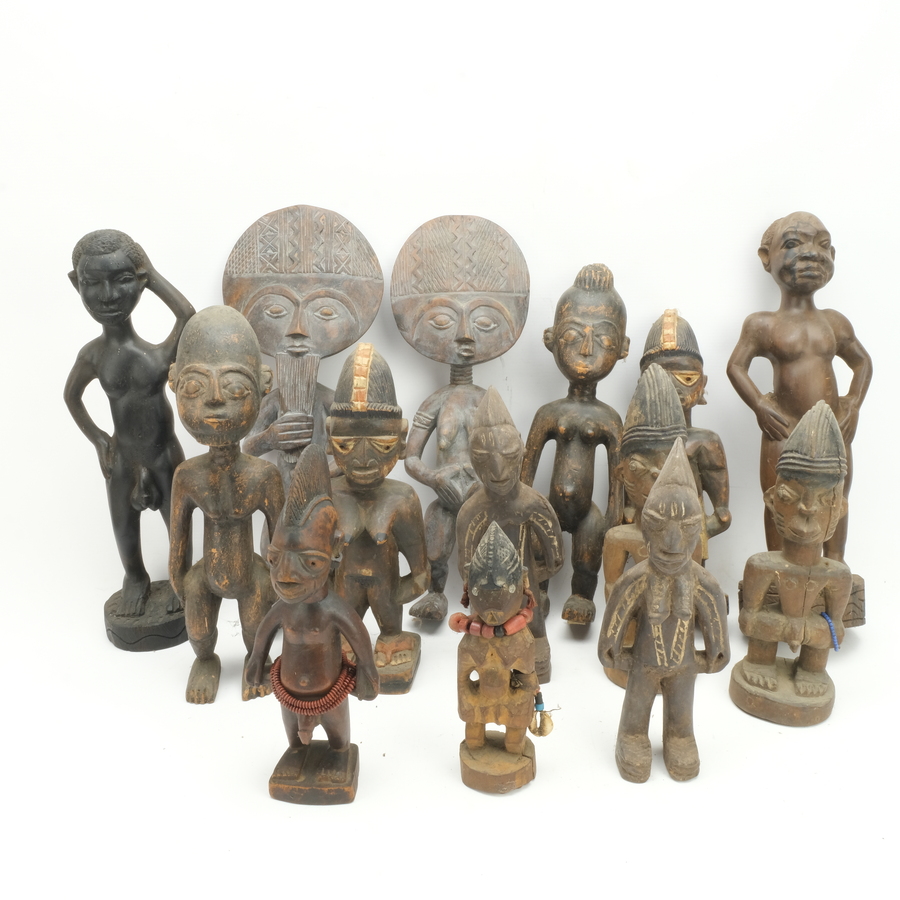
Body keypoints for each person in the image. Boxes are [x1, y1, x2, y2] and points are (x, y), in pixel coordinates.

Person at [391, 214, 530, 621]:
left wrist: (491, 485)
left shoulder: (489, 402)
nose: (465, 335)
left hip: (486, 494)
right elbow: (410, 457)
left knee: (494, 545)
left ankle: (491, 601)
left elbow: (511, 451)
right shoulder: (436, 401)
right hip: (446, 494)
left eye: (483, 323)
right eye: (442, 322)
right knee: (435, 539)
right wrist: (436, 479)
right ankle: (436, 594)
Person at [64, 229, 195, 617]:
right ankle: (135, 578)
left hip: (164, 454)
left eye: (121, 280)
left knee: (178, 526)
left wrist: (150, 274)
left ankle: (180, 579)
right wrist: (98, 439)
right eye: (93, 283)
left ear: (138, 283)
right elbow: (71, 397)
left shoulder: (155, 355)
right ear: (76, 284)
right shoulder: (93, 356)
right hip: (122, 457)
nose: (108, 296)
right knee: (124, 528)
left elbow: (187, 316)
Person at [727, 212, 871, 561]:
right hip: (784, 428)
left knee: (836, 496)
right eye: (793, 243)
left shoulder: (835, 322)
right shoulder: (762, 324)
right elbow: (736, 366)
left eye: (822, 245)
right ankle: (778, 567)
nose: (811, 253)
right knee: (778, 497)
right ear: (767, 258)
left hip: (834, 426)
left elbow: (862, 362)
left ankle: (835, 564)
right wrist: (760, 405)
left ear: (832, 255)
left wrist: (853, 404)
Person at [246, 445, 379, 802]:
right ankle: (296, 751)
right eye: (275, 560)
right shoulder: (283, 608)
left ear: (335, 551)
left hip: (331, 690)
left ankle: (338, 754)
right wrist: (256, 660)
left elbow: (359, 636)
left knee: (338, 734)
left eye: (311, 563)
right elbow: (264, 632)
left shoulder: (332, 609)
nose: (285, 576)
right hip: (288, 691)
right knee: (292, 733)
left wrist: (368, 671)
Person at [168, 306, 284, 704]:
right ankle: (206, 661)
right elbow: (179, 542)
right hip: (206, 576)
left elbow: (281, 540)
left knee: (256, 632)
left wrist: (281, 586)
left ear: (262, 386)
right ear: (173, 384)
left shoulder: (263, 476)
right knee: (199, 633)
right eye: (195, 388)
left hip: (252, 575)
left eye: (235, 390)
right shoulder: (187, 476)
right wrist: (180, 583)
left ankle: (256, 661)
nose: (216, 400)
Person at [599, 439, 729, 783]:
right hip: (643, 665)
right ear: (645, 527)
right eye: (658, 526)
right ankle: (631, 736)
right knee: (636, 713)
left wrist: (714, 653)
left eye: (686, 529)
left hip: (683, 668)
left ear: (698, 533)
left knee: (681, 722)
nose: (672, 543)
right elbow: (613, 626)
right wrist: (614, 652)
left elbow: (717, 631)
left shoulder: (703, 583)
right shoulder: (636, 580)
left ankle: (679, 737)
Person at [731, 401, 850, 724]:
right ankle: (759, 663)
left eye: (825, 499)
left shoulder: (838, 575)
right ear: (772, 500)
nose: (808, 508)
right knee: (764, 627)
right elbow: (748, 620)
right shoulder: (761, 566)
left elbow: (837, 628)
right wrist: (785, 625)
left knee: (823, 633)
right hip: (771, 635)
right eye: (789, 496)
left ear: (840, 509)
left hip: (811, 638)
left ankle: (812, 670)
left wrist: (807, 628)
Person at [522, 263, 628, 625]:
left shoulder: (609, 419)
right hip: (547, 508)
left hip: (587, 514)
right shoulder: (548, 414)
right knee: (538, 554)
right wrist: (521, 511)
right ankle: (537, 594)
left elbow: (618, 481)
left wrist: (613, 523)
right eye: (572, 335)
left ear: (623, 349)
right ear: (551, 339)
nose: (586, 349)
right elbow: (526, 472)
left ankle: (582, 597)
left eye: (604, 340)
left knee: (587, 557)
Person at [327, 344, 429, 693]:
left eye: (382, 444)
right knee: (342, 641)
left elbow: (420, 569)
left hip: (388, 591)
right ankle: (351, 641)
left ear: (402, 441)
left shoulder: (402, 499)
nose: (363, 459)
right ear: (329, 435)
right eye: (346, 444)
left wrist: (407, 589)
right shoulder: (329, 494)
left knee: (390, 637)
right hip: (343, 594)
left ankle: (391, 636)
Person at [457, 388, 563, 682]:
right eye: (484, 459)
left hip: (525, 590)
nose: (498, 470)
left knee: (534, 622)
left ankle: (534, 641)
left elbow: (556, 559)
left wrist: (527, 581)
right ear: (472, 461)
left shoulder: (533, 504)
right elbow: (465, 568)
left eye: (508, 456)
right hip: (486, 597)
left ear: (521, 453)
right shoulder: (472, 511)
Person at [640, 309, 730, 561]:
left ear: (703, 384)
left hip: (690, 531)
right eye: (661, 379)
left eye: (687, 377)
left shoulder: (705, 442)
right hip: (649, 530)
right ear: (643, 386)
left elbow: (722, 510)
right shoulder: (640, 440)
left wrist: (705, 525)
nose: (674, 388)